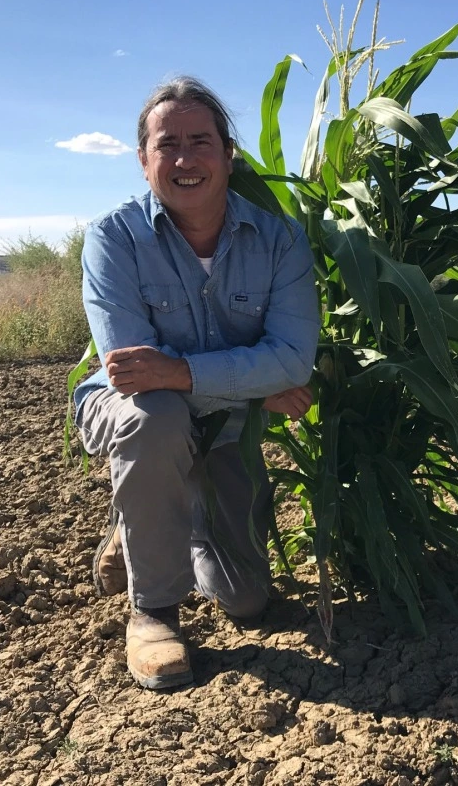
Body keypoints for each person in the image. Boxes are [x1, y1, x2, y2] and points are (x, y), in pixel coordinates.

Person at [73, 76, 320, 690]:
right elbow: (132, 372)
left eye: (201, 141)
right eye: (167, 144)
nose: (185, 159)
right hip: (128, 408)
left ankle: (139, 524)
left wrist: (191, 373)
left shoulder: (281, 239)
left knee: (245, 602)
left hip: (227, 423)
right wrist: (253, 383)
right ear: (143, 160)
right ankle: (152, 613)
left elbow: (294, 360)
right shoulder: (114, 238)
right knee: (155, 418)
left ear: (228, 153)